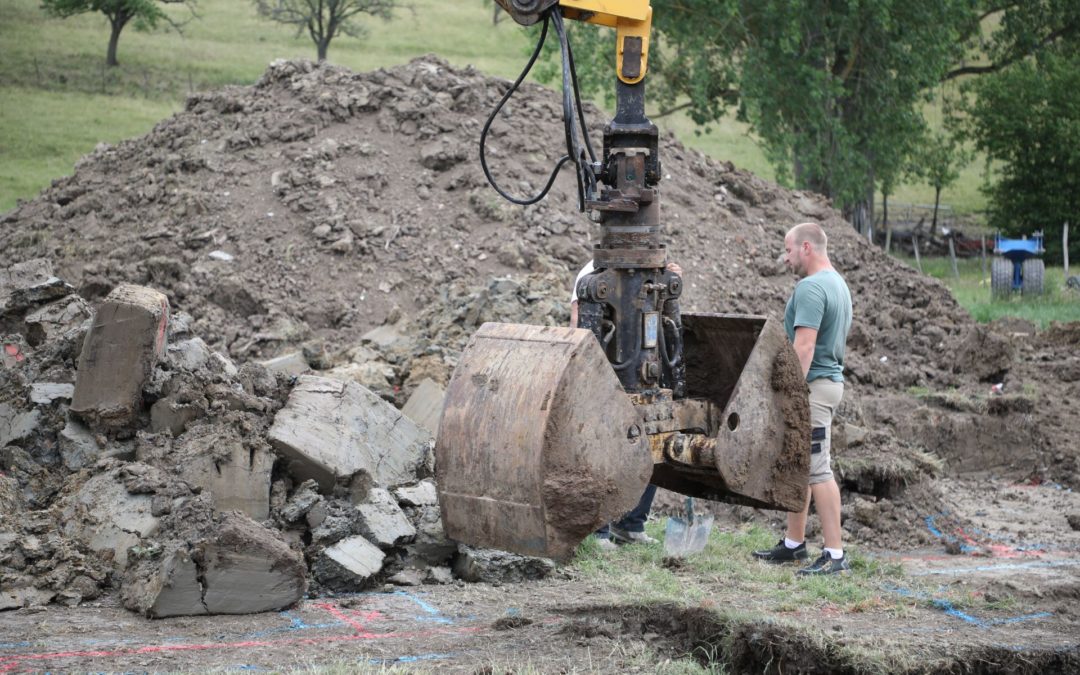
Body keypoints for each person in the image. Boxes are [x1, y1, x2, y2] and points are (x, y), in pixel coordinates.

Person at [752, 222, 853, 575]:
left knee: (818, 469)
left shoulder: (811, 288)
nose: (786, 257)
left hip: (815, 388)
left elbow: (805, 346)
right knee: (801, 464)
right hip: (826, 384)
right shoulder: (837, 283)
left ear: (806, 247)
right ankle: (794, 544)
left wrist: (789, 390)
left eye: (789, 249)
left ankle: (835, 555)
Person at [569, 260, 675, 550]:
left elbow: (668, 320)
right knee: (606, 450)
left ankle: (631, 524)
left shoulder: (656, 273)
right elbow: (578, 322)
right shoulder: (593, 274)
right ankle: (599, 529)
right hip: (608, 376)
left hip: (646, 372)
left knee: (655, 437)